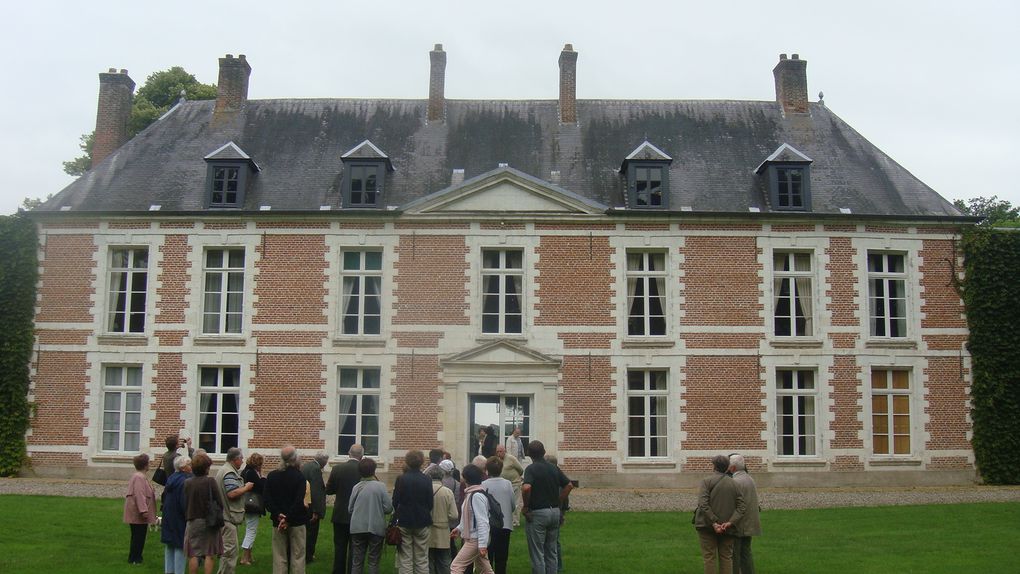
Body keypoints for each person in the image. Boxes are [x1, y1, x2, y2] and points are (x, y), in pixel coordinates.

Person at [521, 441, 572, 574]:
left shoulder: (531, 469)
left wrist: (525, 506)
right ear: (543, 452)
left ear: (529, 454)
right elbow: (569, 485)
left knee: (538, 554)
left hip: (538, 513)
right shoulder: (553, 467)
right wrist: (559, 501)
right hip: (554, 512)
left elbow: (526, 488)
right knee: (552, 551)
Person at [694, 454, 746, 574]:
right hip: (727, 527)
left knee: (709, 558)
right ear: (727, 467)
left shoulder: (706, 482)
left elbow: (703, 504)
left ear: (714, 466)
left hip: (706, 525)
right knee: (726, 557)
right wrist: (730, 522)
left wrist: (714, 522)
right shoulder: (735, 484)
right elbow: (742, 507)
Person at [265, 445, 311, 574]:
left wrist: (278, 514)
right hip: (296, 521)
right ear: (295, 458)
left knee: (279, 556)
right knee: (298, 556)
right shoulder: (299, 477)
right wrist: (287, 518)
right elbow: (298, 501)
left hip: (278, 521)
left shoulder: (272, 476)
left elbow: (267, 499)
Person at [392, 449, 434, 574]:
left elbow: (395, 501)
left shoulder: (401, 479)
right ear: (421, 462)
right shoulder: (427, 479)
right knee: (421, 558)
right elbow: (430, 502)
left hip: (405, 520)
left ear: (407, 462)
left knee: (405, 558)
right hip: (422, 519)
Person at [184, 452, 226, 574]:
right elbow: (219, 501)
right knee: (209, 552)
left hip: (192, 519)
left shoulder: (187, 482)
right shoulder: (210, 482)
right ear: (206, 467)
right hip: (209, 520)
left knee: (193, 553)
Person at [348, 457, 392, 574]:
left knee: (357, 561)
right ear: (374, 470)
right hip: (376, 527)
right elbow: (388, 508)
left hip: (357, 527)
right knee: (373, 561)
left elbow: (350, 508)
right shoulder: (381, 486)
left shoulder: (356, 487)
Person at [216, 447, 255, 574]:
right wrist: (246, 488)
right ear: (235, 459)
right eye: (241, 458)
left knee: (229, 551)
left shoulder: (225, 469)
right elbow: (232, 493)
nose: (243, 461)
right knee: (229, 552)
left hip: (226, 516)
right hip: (228, 517)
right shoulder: (229, 473)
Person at [326, 443, 364, 574]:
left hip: (340, 513)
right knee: (355, 548)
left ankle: (338, 571)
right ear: (362, 456)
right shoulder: (364, 470)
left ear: (349, 453)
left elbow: (329, 490)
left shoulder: (337, 469)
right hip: (357, 514)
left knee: (340, 547)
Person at [450, 465, 494, 574]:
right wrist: (459, 528)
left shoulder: (476, 496)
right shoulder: (471, 493)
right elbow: (469, 518)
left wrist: (482, 544)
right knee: (485, 569)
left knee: (456, 566)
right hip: (476, 538)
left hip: (475, 539)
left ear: (466, 479)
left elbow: (482, 521)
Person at [482, 456, 515, 574]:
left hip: (489, 524)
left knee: (489, 555)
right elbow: (512, 504)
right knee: (502, 556)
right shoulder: (507, 484)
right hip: (505, 524)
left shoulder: (483, 484)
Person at [124, 452, 159, 564]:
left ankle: (135, 557)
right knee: (138, 536)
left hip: (137, 512)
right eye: (148, 463)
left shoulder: (140, 476)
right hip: (138, 513)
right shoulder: (139, 477)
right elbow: (139, 494)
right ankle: (135, 558)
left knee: (138, 535)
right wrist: (143, 510)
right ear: (145, 465)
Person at [728, 455, 761, 574]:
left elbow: (733, 504)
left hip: (740, 523)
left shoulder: (735, 481)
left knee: (735, 554)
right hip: (749, 522)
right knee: (746, 552)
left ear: (732, 467)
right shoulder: (749, 478)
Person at [163, 455, 193, 574]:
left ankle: (168, 570)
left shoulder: (171, 478)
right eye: (189, 464)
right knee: (180, 545)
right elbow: (184, 502)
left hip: (169, 515)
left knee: (170, 544)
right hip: (179, 517)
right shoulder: (185, 481)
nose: (191, 467)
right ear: (183, 468)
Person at [426, 466, 459, 574]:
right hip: (443, 531)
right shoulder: (448, 492)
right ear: (442, 477)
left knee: (429, 560)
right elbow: (454, 515)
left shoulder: (425, 490)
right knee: (444, 561)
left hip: (428, 529)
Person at [543, 454, 570, 573]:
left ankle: (555, 566)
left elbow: (565, 497)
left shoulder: (555, 477)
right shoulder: (559, 475)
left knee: (552, 542)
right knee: (554, 541)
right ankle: (556, 566)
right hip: (557, 512)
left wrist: (561, 511)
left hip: (553, 512)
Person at [302, 451, 330, 564]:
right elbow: (316, 491)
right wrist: (316, 511)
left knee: (304, 531)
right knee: (311, 533)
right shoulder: (315, 469)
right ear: (323, 461)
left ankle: (302, 553)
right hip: (311, 505)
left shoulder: (306, 466)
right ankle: (308, 556)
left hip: (304, 503)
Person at [240, 452, 267, 566]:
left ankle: (249, 556)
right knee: (251, 530)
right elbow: (260, 486)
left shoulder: (246, 471)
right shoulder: (251, 473)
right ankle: (244, 557)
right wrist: (263, 478)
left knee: (250, 528)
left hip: (247, 503)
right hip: (252, 504)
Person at [495, 445, 524, 527]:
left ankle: (515, 522)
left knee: (516, 503)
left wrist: (516, 478)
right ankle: (506, 520)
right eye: (497, 452)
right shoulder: (497, 460)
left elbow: (520, 469)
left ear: (505, 451)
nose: (499, 453)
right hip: (503, 485)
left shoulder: (511, 458)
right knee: (505, 503)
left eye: (500, 451)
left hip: (515, 484)